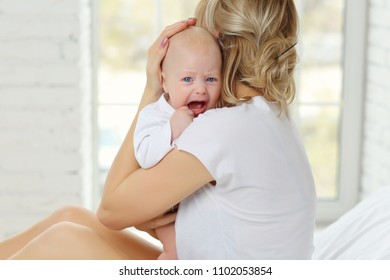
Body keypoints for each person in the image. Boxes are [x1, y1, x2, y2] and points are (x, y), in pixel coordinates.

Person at [0, 0, 316, 260]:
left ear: (217, 38)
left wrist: (154, 89)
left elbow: (111, 208)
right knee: (70, 216)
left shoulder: (225, 129)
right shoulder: (268, 115)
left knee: (64, 240)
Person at [133, 26, 222, 260]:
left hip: (194, 204)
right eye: (187, 79)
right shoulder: (155, 115)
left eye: (211, 78)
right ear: (165, 83)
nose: (201, 88)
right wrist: (172, 129)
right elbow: (143, 155)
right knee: (175, 252)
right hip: (163, 205)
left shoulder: (215, 115)